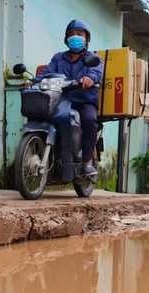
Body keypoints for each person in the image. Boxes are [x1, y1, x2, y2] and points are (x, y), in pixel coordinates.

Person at [32, 20, 104, 176]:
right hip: (61, 100)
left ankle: (86, 162)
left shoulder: (94, 58)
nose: (75, 37)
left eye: (79, 34)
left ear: (86, 39)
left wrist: (89, 79)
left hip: (84, 101)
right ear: (66, 39)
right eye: (71, 34)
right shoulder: (59, 58)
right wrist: (34, 81)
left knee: (89, 119)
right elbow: (47, 72)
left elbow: (96, 73)